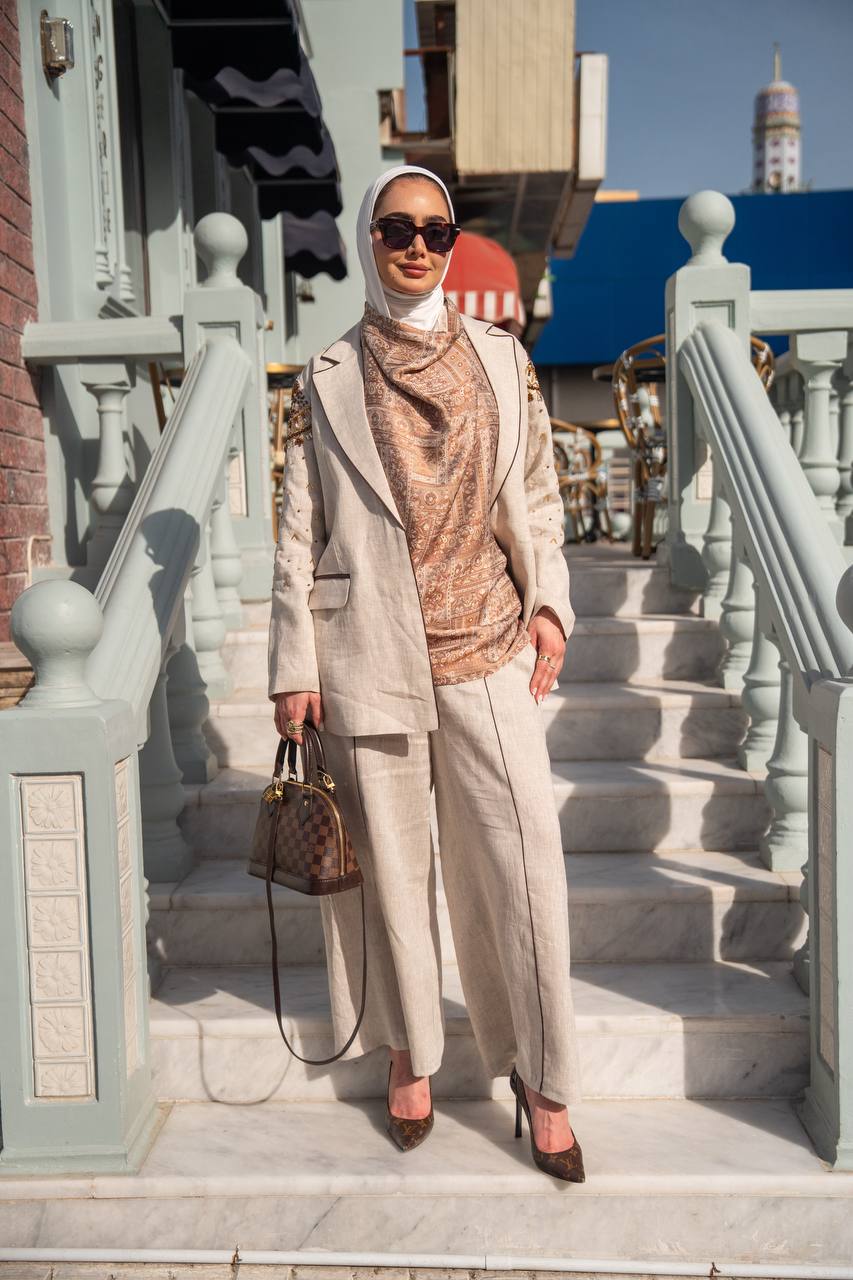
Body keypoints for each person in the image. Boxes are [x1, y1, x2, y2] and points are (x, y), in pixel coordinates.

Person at [268, 164, 583, 1182]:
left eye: (436, 230)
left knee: (523, 867)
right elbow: (298, 526)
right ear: (368, 237)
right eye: (397, 228)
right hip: (368, 650)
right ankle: (409, 1053)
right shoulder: (325, 374)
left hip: (488, 644)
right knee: (393, 873)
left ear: (450, 243)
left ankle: (543, 1075)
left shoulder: (500, 356)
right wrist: (292, 662)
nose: (416, 245)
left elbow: (537, 493)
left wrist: (548, 602)